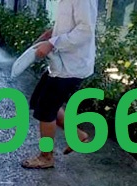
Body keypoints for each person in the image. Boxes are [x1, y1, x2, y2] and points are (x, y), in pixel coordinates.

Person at [21, 0, 97, 169]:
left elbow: (85, 30)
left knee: (46, 110)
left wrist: (53, 43)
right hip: (61, 64)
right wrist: (51, 34)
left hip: (72, 65)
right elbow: (69, 23)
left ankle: (46, 157)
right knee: (38, 102)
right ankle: (77, 135)